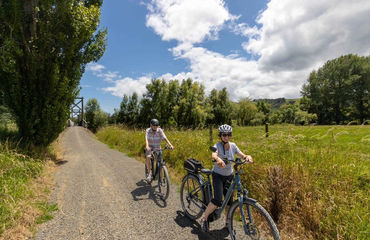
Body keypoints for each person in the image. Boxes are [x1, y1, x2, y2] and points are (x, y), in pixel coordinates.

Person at [200, 124, 253, 232]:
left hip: (229, 175)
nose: (226, 137)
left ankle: (227, 223)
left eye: (228, 135)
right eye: (224, 135)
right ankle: (204, 218)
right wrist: (218, 159)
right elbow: (214, 154)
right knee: (218, 200)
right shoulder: (217, 145)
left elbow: (241, 155)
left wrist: (247, 157)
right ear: (220, 136)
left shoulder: (233, 146)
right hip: (218, 175)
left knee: (229, 202)